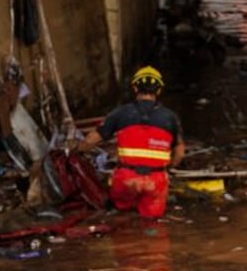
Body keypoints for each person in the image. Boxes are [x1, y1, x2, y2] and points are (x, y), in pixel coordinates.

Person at [78, 65, 185, 219]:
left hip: (126, 179)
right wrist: (168, 168)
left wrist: (77, 151)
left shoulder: (120, 113)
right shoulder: (170, 117)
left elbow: (91, 140)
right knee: (152, 221)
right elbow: (180, 152)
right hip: (155, 181)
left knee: (122, 217)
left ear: (135, 88)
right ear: (159, 90)